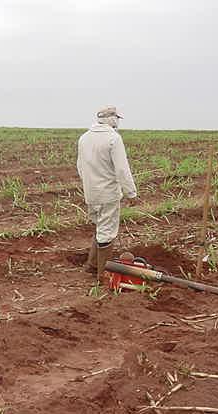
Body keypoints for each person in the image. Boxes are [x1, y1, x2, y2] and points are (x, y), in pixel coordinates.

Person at [77, 106, 138, 283]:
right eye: (116, 118)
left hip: (91, 192)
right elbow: (122, 169)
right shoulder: (113, 138)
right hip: (108, 193)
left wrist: (89, 185)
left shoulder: (84, 138)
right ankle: (102, 274)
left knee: (99, 226)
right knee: (107, 232)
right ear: (111, 119)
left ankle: (92, 265)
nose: (117, 121)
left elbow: (80, 166)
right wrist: (131, 193)